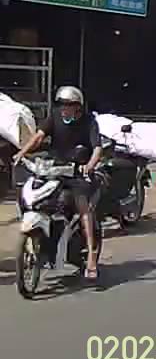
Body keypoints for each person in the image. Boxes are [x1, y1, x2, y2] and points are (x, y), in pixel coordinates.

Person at [12, 86, 104, 280]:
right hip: (54, 168)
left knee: (82, 206)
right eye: (61, 104)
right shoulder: (54, 117)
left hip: (77, 172)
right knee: (31, 192)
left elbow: (97, 148)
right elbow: (38, 136)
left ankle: (91, 255)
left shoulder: (89, 122)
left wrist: (89, 165)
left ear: (77, 106)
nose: (63, 108)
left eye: (67, 105)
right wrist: (22, 153)